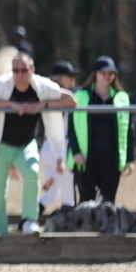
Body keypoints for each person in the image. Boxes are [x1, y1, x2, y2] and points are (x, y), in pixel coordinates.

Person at [0, 52, 75, 237]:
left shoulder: (41, 86)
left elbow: (71, 99)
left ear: (32, 70)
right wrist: (11, 104)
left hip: (26, 144)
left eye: (23, 70)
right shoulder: (1, 85)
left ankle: (30, 220)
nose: (19, 74)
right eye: (15, 70)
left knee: (32, 173)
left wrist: (43, 104)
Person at [68, 56, 135, 203]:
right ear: (95, 74)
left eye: (111, 73)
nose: (107, 76)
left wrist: (130, 158)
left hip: (112, 158)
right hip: (87, 158)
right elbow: (71, 128)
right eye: (103, 73)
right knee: (86, 200)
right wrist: (76, 152)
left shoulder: (122, 98)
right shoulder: (80, 96)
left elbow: (129, 129)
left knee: (108, 202)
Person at [38, 59, 80, 214]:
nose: (73, 79)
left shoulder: (44, 94)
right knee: (69, 193)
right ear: (59, 78)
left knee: (53, 192)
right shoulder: (61, 96)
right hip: (61, 147)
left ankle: (27, 219)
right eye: (69, 75)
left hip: (47, 147)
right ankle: (68, 226)